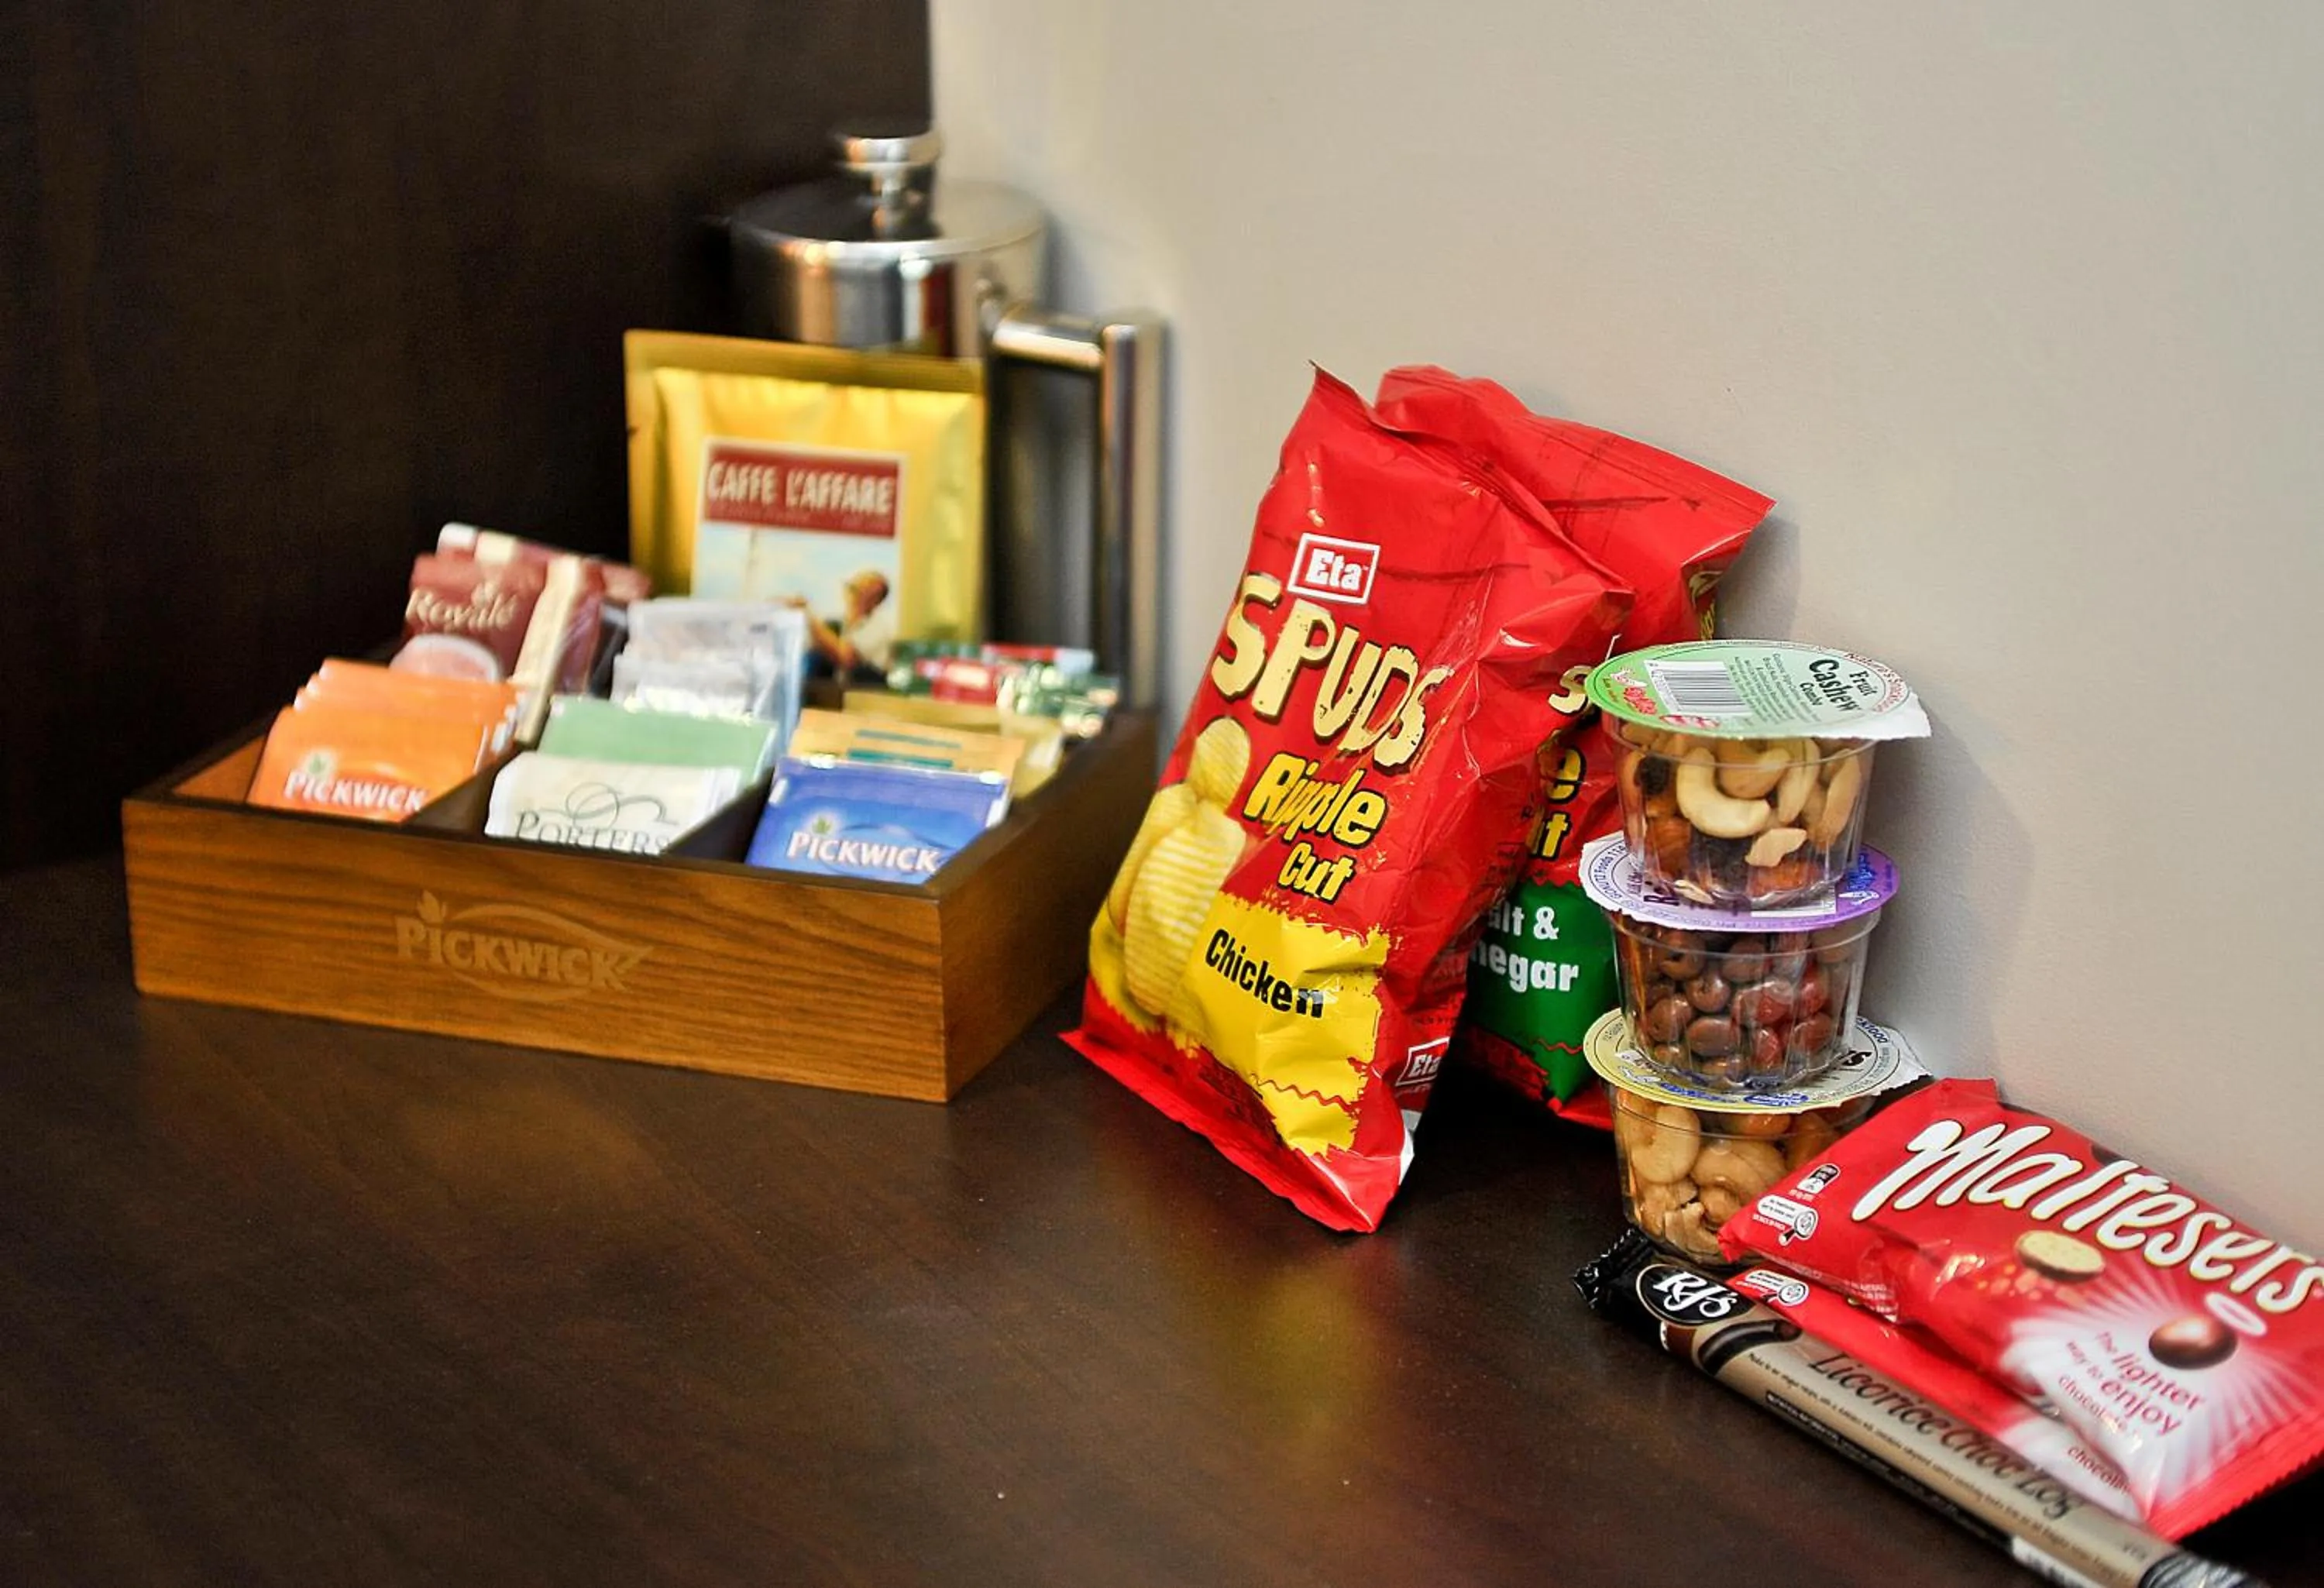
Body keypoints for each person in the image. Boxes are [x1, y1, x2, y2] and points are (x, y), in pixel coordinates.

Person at [799, 569, 896, 683]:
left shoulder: (879, 629)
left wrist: (808, 614)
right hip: (835, 693)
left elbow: (845, 658)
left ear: (876, 601)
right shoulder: (838, 625)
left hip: (864, 694)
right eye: (853, 587)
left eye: (862, 590)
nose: (854, 593)